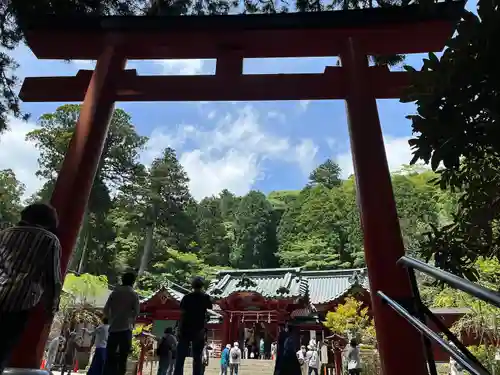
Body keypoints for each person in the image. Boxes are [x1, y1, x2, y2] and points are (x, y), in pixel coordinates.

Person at [0, 203, 61, 375]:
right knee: (3, 347)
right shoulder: (49, 240)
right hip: (18, 301)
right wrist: (51, 309)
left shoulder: (5, 234)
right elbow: (53, 280)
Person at [173, 276, 212, 375]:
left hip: (185, 329)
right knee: (197, 358)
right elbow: (209, 309)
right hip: (198, 330)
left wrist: (179, 329)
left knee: (180, 357)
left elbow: (182, 314)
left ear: (192, 286)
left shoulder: (186, 297)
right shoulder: (205, 297)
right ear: (202, 286)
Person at [104, 271, 140, 375]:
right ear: (132, 282)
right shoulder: (133, 294)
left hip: (114, 328)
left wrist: (112, 318)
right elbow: (136, 312)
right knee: (123, 359)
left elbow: (106, 310)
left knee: (110, 357)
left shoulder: (114, 293)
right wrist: (130, 318)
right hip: (126, 329)